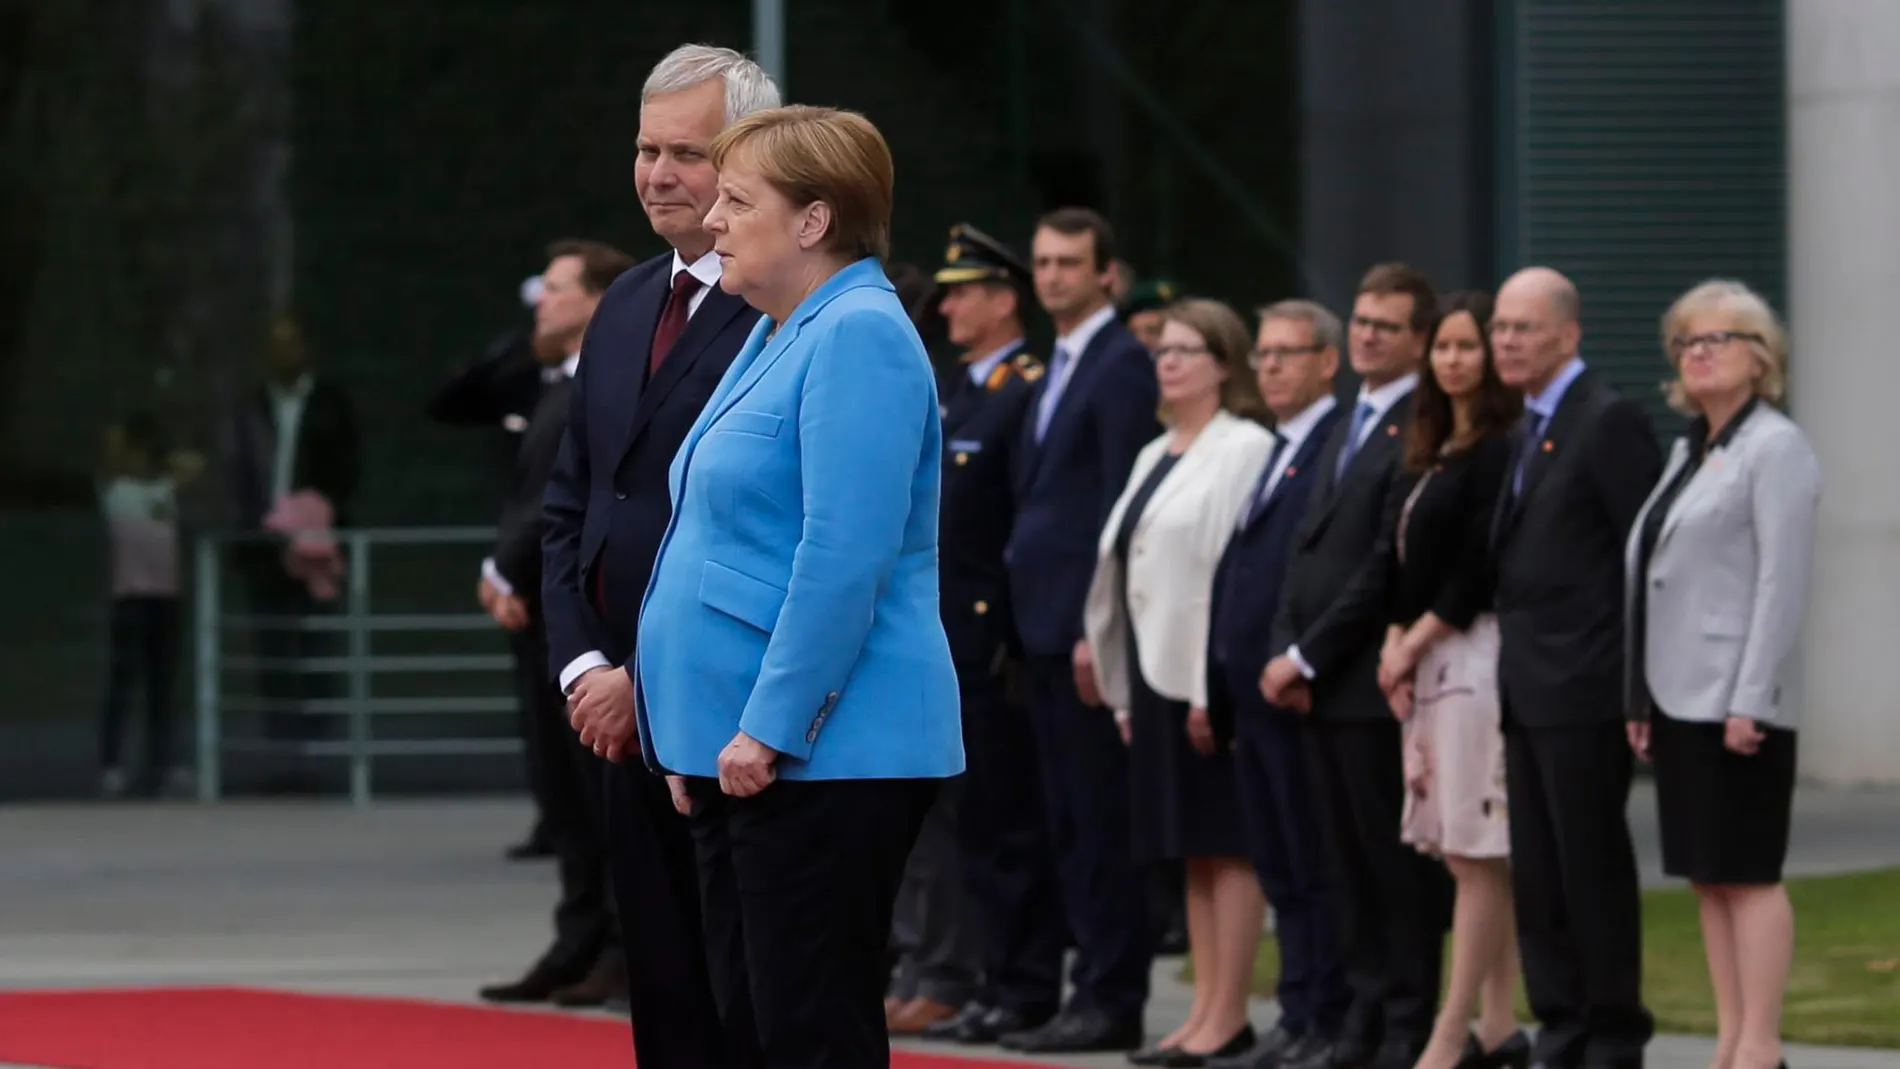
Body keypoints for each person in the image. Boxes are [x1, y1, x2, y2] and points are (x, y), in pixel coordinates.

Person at [607, 104, 962, 1069]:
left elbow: (844, 556)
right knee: (754, 1025)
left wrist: (769, 725)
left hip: (823, 750)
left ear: (813, 221)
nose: (712, 221)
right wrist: (686, 722)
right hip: (743, 746)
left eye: (736, 200)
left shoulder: (858, 334)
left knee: (807, 1031)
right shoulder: (779, 332)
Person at [540, 43, 779, 1069]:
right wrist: (587, 665)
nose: (659, 173)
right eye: (647, 149)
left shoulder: (785, 309)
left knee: (751, 987)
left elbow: (771, 527)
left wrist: (653, 674)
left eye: (687, 152)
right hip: (613, 716)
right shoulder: (627, 299)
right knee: (665, 980)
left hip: (732, 706)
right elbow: (575, 501)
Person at [1259, 263, 1451, 1069]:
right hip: (1319, 688)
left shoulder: (1418, 424)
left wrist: (1305, 653)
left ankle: (1405, 1023)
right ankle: (1361, 1015)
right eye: (1361, 318)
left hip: (1369, 684)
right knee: (1343, 865)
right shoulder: (1347, 422)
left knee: (1392, 868)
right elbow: (1305, 548)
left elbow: (1381, 562)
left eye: (1386, 324)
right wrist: (1284, 650)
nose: (1367, 332)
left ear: (1419, 341)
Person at [1624, 280, 1820, 1069]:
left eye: (1719, 339)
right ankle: (1731, 1038)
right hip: (1677, 695)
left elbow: (1782, 580)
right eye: (1687, 342)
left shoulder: (1776, 447)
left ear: (1760, 357)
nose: (1698, 352)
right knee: (1707, 876)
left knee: (1748, 871)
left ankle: (1762, 1044)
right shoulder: (1688, 450)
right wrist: (1637, 694)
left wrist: (1753, 697)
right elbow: (1651, 579)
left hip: (1738, 697)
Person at [1082, 297, 1274, 1066]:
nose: (1169, 360)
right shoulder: (1157, 448)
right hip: (1152, 671)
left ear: (1225, 364)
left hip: (1205, 676)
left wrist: (1207, 687)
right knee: (1189, 849)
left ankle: (1229, 1011)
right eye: (1163, 347)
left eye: (1189, 349)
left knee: (1229, 845)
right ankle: (1201, 1009)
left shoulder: (1244, 446)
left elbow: (1228, 575)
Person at [890, 225, 1065, 1043]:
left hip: (986, 637)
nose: (947, 305)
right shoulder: (956, 385)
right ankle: (976, 975)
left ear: (1003, 300)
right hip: (940, 630)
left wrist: (1005, 631)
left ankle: (1015, 980)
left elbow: (1018, 523)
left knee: (1002, 821)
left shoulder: (1023, 390)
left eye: (963, 292)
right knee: (956, 820)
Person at [1489, 266, 1659, 1069]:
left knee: (1589, 866)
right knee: (1540, 874)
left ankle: (1613, 1031)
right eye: (1500, 327)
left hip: (1585, 682)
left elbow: (1646, 560)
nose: (1507, 341)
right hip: (1525, 685)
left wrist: (1637, 684)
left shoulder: (1608, 419)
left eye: (1524, 327)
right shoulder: (1523, 426)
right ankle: (1561, 1025)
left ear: (1569, 333)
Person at [1002, 206, 1161, 1055]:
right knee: (1063, 818)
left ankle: (1111, 993)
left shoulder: (1123, 365)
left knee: (1100, 823)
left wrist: (1100, 629)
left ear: (1107, 273)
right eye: (1043, 260)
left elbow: (1117, 505)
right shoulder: (1053, 366)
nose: (1052, 275)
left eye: (1069, 262)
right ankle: (1086, 984)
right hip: (1039, 623)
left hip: (1084, 632)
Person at [1370, 291, 1529, 1069]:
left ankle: (1451, 1029)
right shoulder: (1433, 446)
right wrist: (1396, 641)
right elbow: (1406, 562)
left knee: (1475, 850)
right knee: (1462, 846)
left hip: (1473, 653)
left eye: (1469, 346)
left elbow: (1475, 567)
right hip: (1428, 658)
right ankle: (1499, 1027)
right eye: (1444, 347)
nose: (1454, 360)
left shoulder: (1502, 446)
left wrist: (1413, 640)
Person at [475, 239, 634, 1010]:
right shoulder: (555, 380)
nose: (542, 300)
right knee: (561, 794)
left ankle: (616, 944)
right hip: (546, 613)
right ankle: (575, 940)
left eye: (560, 288)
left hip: (581, 609)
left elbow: (565, 498)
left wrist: (506, 566)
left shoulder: (609, 380)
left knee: (599, 791)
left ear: (598, 298)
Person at [1205, 300, 1350, 1069]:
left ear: (1328, 361)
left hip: (1295, 688)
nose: (1269, 368)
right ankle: (1297, 1012)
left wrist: (1297, 655)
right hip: (1250, 690)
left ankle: (1325, 1013)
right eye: (1263, 354)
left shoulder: (1334, 441)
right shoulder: (1276, 446)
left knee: (1311, 860)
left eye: (1288, 354)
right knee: (1281, 864)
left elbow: (1316, 567)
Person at [222, 313, 359, 781]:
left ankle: (316, 751)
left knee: (315, 646)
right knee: (273, 650)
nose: (282, 354)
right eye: (274, 344)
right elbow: (238, 469)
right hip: (265, 544)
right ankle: (281, 753)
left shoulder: (329, 404)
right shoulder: (253, 406)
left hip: (316, 545)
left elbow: (346, 468)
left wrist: (317, 515)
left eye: (291, 343)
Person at [96, 411, 202, 799]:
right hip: (130, 599)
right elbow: (108, 459)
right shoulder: (114, 489)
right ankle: (111, 764)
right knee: (122, 685)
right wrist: (120, 445)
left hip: (165, 598)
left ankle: (161, 764)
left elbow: (193, 466)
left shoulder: (164, 489)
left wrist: (163, 460)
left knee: (162, 687)